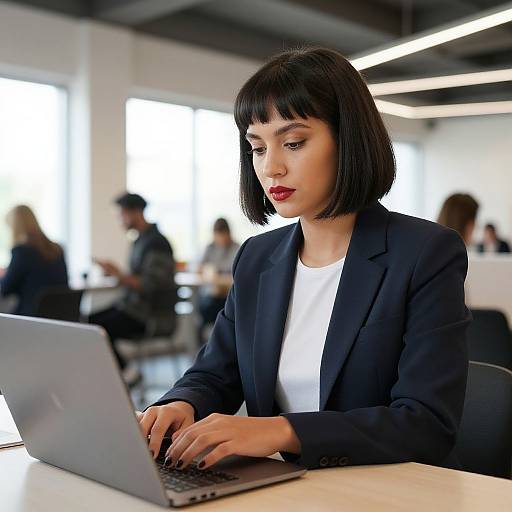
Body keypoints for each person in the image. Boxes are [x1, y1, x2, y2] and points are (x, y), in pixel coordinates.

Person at [138, 48, 470, 473]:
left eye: (293, 143)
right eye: (257, 147)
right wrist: (179, 403)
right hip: (286, 485)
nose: (271, 167)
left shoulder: (425, 252)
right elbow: (216, 373)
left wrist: (281, 431)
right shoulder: (258, 258)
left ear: (348, 139)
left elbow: (426, 423)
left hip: (388, 491)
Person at [89, 193, 177, 385]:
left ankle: (128, 373)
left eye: (121, 214)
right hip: (132, 308)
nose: (119, 220)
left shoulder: (156, 243)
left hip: (148, 315)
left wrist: (118, 274)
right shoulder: (141, 241)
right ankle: (118, 374)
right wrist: (116, 275)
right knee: (87, 322)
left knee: (94, 328)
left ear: (136, 212)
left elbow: (149, 284)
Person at [0, 205, 68, 316]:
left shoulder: (22, 252)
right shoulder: (57, 249)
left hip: (32, 319)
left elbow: (6, 289)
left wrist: (3, 275)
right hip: (61, 317)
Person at [197, 218, 240, 343]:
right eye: (218, 236)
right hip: (211, 294)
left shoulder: (237, 248)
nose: (221, 239)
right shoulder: (210, 248)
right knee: (203, 309)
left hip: (228, 296)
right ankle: (203, 347)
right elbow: (199, 269)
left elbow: (237, 273)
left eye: (223, 235)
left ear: (228, 233)